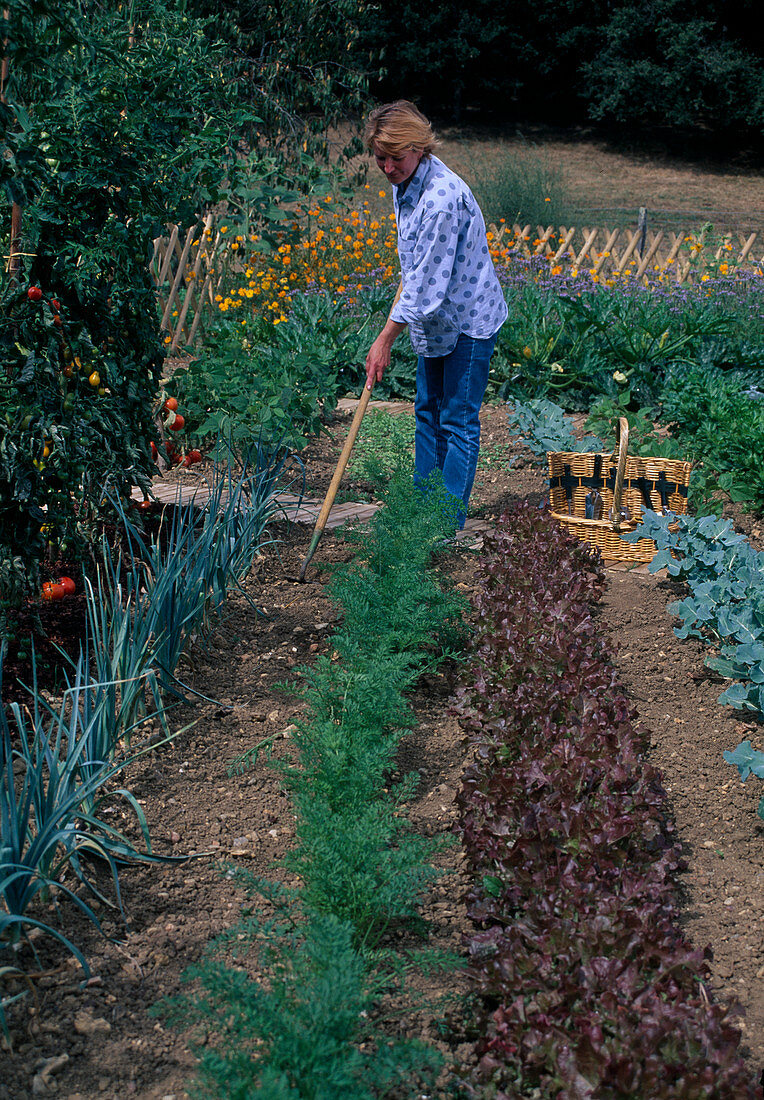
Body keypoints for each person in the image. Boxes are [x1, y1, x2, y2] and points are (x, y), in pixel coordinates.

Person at [364, 100, 507, 530]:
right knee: (427, 412)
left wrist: (383, 339)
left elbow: (425, 289)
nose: (388, 168)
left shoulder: (442, 198)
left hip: (468, 321)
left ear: (419, 148)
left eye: (396, 157)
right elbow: (416, 268)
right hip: (435, 322)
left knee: (457, 420)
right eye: (380, 159)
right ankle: (421, 511)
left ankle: (443, 525)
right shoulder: (404, 183)